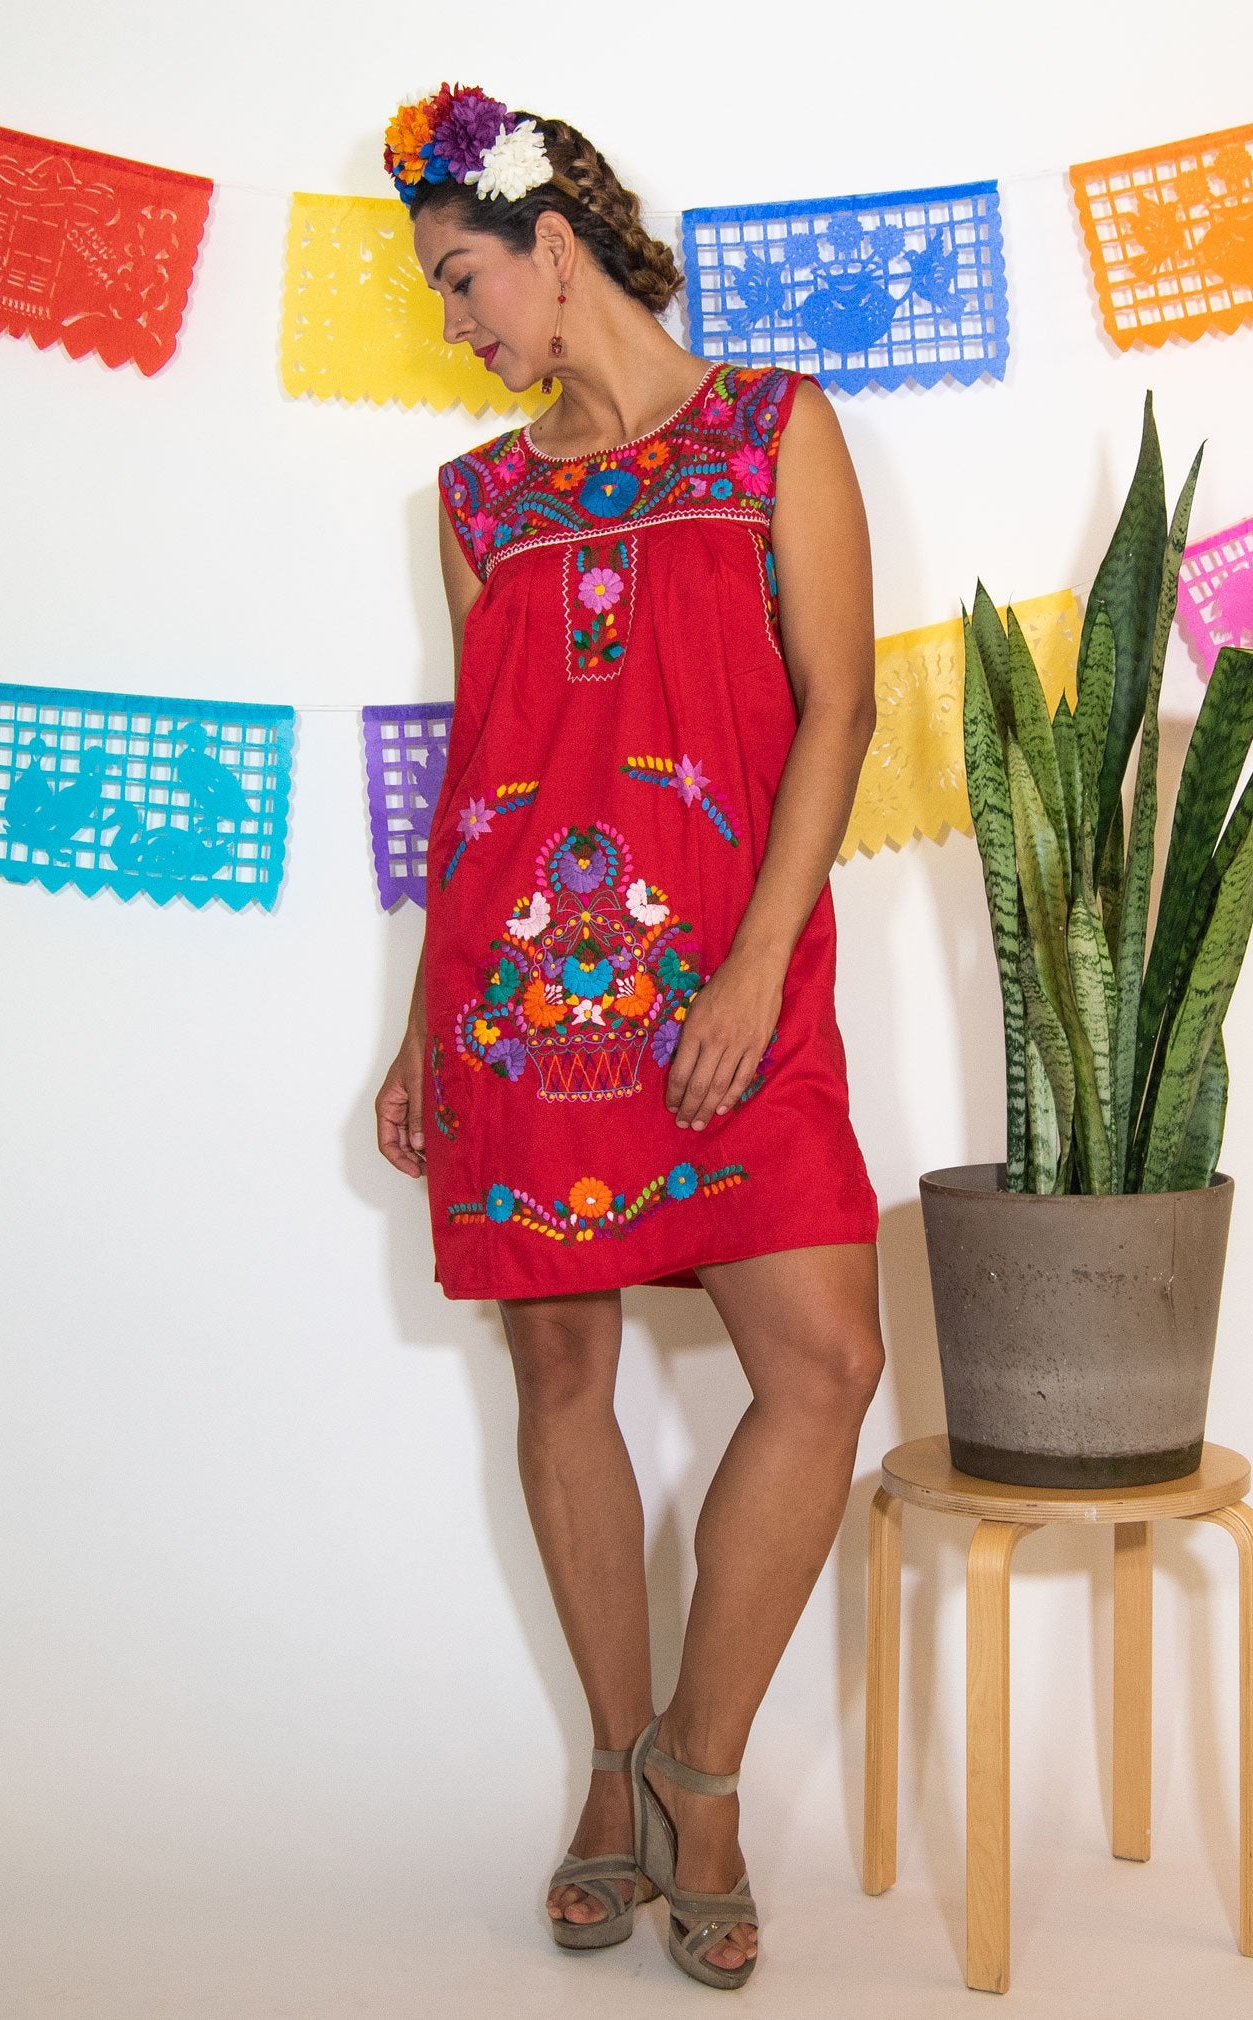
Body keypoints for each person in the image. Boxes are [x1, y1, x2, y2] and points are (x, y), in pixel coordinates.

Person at [371, 84, 883, 1991]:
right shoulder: (479, 503)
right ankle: (609, 1778)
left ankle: (703, 1773)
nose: (455, 320)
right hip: (524, 1005)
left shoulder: (773, 432)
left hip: (737, 982)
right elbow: (483, 788)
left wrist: (754, 970)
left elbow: (833, 710)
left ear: (554, 249)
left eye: (460, 278)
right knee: (563, 1373)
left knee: (825, 1362)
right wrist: (427, 1024)